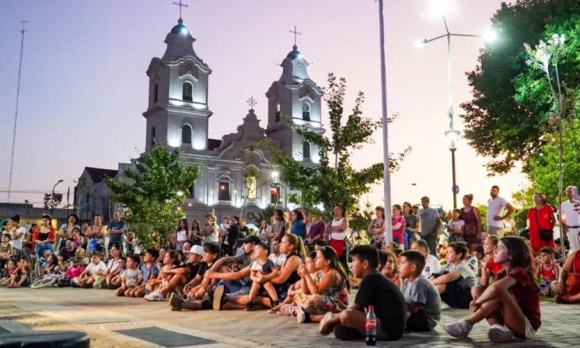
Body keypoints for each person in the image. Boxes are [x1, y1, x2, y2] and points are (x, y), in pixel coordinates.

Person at [444, 236, 540, 343]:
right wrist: (484, 268)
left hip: (525, 326)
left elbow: (495, 289)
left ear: (512, 254)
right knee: (476, 289)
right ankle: (499, 328)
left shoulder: (520, 272)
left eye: (499, 248)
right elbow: (483, 287)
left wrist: (478, 302)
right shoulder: (502, 274)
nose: (494, 251)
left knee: (499, 291)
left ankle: (467, 324)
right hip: (508, 321)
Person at [318, 245, 405, 341]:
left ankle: (331, 319)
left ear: (365, 264)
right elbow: (359, 309)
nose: (351, 266)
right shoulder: (373, 277)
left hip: (388, 329)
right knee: (341, 331)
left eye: (354, 261)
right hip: (384, 327)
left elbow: (353, 309)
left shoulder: (372, 278)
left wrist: (331, 320)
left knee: (346, 315)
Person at [399, 250, 441, 332]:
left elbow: (414, 309)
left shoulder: (420, 283)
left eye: (402, 263)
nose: (399, 266)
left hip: (426, 321)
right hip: (415, 316)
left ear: (413, 267)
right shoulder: (406, 281)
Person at [431, 242, 476, 309]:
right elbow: (435, 276)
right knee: (436, 277)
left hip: (466, 299)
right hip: (455, 297)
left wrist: (429, 283)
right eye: (447, 252)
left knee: (442, 283)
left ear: (459, 255)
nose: (447, 254)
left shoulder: (462, 267)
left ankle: (424, 303)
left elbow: (447, 278)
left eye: (450, 252)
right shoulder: (449, 265)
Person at [246, 242, 280, 311]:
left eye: (257, 249)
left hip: (266, 280)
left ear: (265, 252)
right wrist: (257, 279)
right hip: (257, 280)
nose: (255, 251)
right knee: (255, 285)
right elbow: (252, 275)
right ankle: (250, 302)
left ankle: (275, 301)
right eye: (254, 249)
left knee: (268, 284)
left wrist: (266, 277)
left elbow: (275, 271)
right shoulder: (255, 263)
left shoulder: (269, 262)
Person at [561, 186, 580, 252]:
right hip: (570, 230)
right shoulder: (564, 204)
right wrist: (563, 225)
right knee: (574, 250)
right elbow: (558, 215)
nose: (568, 193)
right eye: (567, 192)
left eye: (571, 191)